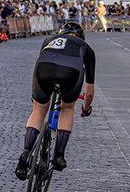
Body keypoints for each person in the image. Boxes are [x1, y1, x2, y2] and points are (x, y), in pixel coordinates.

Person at [14, 20, 95, 180]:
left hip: (44, 68)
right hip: (70, 71)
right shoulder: (86, 48)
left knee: (38, 110)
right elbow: (90, 90)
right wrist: (86, 108)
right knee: (67, 109)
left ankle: (26, 151)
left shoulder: (49, 40)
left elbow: (39, 62)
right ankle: (59, 154)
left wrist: (36, 97)